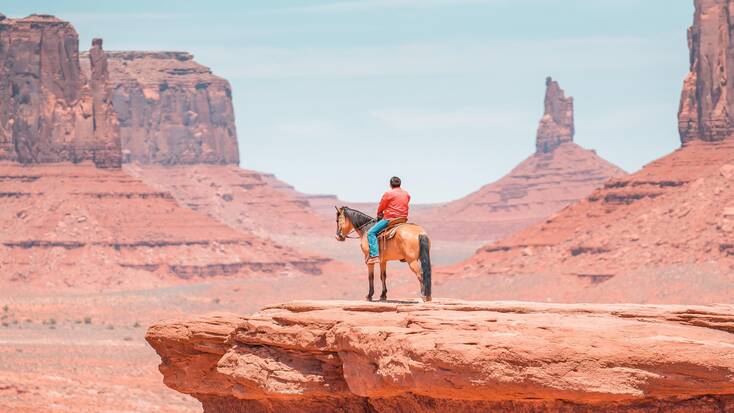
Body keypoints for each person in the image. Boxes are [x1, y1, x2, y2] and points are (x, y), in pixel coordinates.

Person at [366, 176, 410, 264]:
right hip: (403, 219)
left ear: (390, 184)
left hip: (390, 219)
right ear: (400, 184)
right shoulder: (407, 194)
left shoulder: (388, 193)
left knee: (371, 233)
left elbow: (382, 205)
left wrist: (379, 213)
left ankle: (374, 256)